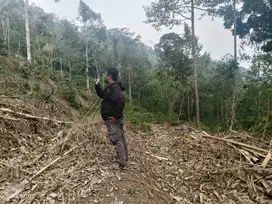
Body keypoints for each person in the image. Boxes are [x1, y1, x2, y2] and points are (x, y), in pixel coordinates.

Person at [94, 68, 128, 169]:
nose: (104, 76)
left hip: (113, 119)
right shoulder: (110, 88)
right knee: (120, 138)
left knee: (117, 139)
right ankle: (124, 159)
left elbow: (121, 101)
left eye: (105, 74)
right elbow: (102, 95)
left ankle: (122, 162)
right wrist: (97, 84)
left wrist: (116, 116)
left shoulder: (114, 88)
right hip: (112, 118)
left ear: (109, 76)